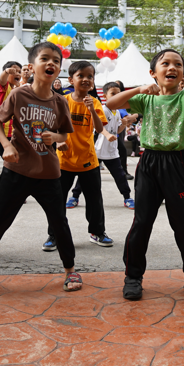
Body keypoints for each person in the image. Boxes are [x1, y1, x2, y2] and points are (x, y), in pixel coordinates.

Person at [0, 42, 81, 296]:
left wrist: (54, 137)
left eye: (56, 61)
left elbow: (64, 137)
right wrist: (6, 145)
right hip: (15, 171)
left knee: (59, 223)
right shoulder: (18, 94)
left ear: (59, 68)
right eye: (45, 59)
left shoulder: (60, 102)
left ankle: (70, 270)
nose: (51, 64)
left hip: (49, 174)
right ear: (33, 66)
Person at [106, 50, 184, 301]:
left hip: (176, 163)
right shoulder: (146, 99)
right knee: (142, 221)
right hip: (149, 162)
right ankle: (133, 277)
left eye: (178, 64)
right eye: (165, 63)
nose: (172, 67)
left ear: (183, 75)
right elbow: (111, 104)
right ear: (153, 73)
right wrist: (138, 90)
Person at [51, 60, 113, 251]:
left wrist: (92, 110)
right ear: (71, 79)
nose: (86, 79)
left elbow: (100, 127)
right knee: (57, 201)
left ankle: (97, 232)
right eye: (81, 76)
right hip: (63, 161)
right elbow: (53, 126)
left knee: (95, 200)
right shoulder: (63, 101)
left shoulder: (94, 102)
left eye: (90, 76)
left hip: (88, 161)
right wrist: (58, 141)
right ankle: (54, 235)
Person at [70, 81, 136, 209]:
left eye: (118, 94)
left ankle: (127, 197)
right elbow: (99, 127)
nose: (116, 96)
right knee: (85, 176)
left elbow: (117, 131)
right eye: (113, 93)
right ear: (105, 95)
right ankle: (75, 196)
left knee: (120, 176)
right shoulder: (102, 109)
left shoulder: (117, 112)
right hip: (97, 150)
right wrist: (107, 135)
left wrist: (123, 124)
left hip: (111, 151)